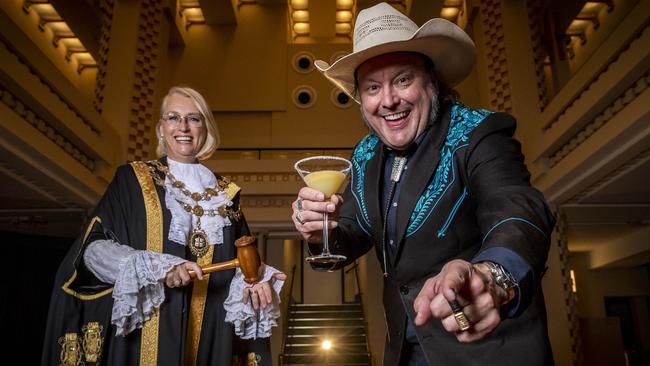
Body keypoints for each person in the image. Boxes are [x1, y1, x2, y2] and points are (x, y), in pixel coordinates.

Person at [292, 3, 555, 365]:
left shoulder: (479, 132)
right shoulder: (365, 153)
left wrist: (493, 275)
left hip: (486, 350)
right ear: (361, 99)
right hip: (405, 349)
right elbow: (352, 231)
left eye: (402, 79)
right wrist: (320, 233)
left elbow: (518, 210)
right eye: (372, 87)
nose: (388, 101)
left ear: (432, 82)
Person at [42, 86, 286, 366]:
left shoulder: (227, 195)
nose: (183, 126)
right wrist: (154, 268)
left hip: (212, 331)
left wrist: (254, 281)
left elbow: (243, 263)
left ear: (205, 128)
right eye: (173, 117)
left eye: (194, 118)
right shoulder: (132, 180)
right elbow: (93, 252)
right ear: (161, 128)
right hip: (147, 328)